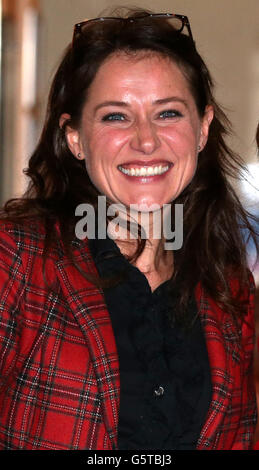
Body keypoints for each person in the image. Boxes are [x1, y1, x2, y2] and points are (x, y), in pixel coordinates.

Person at [0, 7, 258, 451]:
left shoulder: (229, 287)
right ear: (75, 137)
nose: (145, 140)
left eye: (168, 113)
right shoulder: (15, 259)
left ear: (202, 129)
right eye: (115, 116)